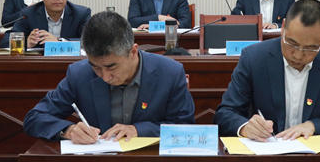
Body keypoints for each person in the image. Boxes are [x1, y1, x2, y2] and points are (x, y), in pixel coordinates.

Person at [24, 11, 195, 142]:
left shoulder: (170, 73)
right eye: (96, 67)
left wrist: (139, 130)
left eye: (111, 66)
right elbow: (34, 118)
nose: (105, 77)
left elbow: (186, 127)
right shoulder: (80, 74)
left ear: (133, 52)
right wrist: (67, 130)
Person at [214, 0, 320, 142]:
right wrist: (246, 127)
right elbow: (225, 113)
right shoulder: (254, 58)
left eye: (310, 48)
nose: (298, 55)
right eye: (292, 43)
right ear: (283, 27)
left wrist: (314, 126)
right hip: (266, 153)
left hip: (315, 155)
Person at [0, 0, 91, 48]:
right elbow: (5, 42)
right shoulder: (29, 14)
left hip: (71, 62)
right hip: (40, 63)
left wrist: (59, 41)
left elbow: (90, 42)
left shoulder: (81, 14)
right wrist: (25, 43)